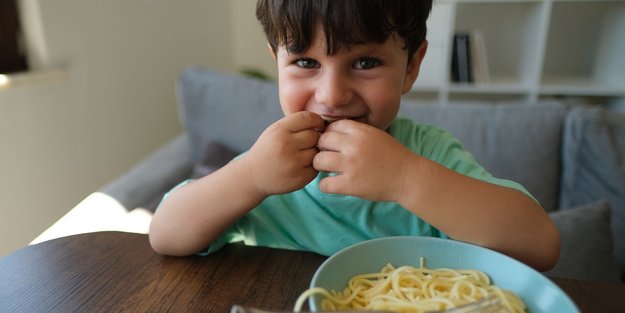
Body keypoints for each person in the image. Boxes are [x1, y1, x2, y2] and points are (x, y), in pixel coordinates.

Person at [149, 0, 559, 271]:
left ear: (412, 67)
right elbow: (165, 234)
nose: (331, 95)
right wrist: (251, 177)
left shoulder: (427, 155)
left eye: (365, 62)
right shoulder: (270, 164)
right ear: (276, 61)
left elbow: (540, 245)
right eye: (306, 61)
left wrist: (406, 179)